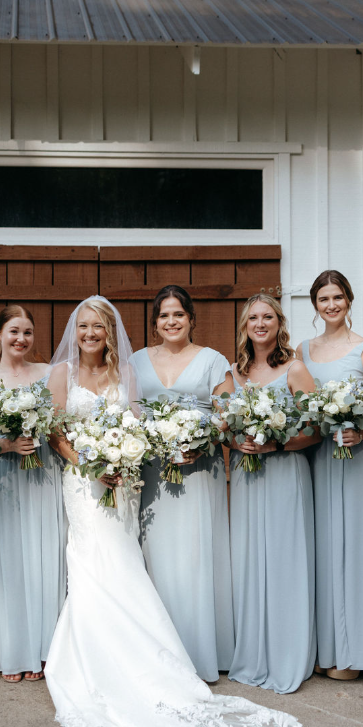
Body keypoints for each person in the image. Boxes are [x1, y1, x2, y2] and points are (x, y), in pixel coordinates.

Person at [32, 295, 307, 727]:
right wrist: (91, 462)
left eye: (100, 326)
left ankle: (145, 659)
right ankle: (97, 654)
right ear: (77, 331)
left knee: (125, 564)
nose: (91, 333)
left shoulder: (125, 374)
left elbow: (135, 423)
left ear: (111, 332)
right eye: (84, 326)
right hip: (84, 484)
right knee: (91, 565)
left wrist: (121, 455)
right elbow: (55, 432)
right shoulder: (61, 373)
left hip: (126, 482)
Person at [130, 286, 234, 682]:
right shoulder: (136, 361)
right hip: (153, 472)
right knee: (156, 556)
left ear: (191, 318)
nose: (171, 322)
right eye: (163, 316)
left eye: (178, 314)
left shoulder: (212, 360)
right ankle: (159, 653)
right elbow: (128, 411)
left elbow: (227, 414)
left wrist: (202, 438)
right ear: (154, 322)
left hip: (198, 471)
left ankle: (199, 652)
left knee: (194, 554)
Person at [217, 294, 318, 695]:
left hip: (284, 474)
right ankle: (254, 652)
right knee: (248, 562)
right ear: (244, 325)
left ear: (279, 323)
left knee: (283, 560)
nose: (260, 323)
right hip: (246, 476)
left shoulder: (295, 369)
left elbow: (314, 430)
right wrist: (233, 439)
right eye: (253, 318)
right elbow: (222, 427)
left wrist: (274, 445)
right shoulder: (233, 375)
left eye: (268, 317)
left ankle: (287, 654)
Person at [297, 271, 363, 680]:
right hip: (316, 457)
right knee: (321, 550)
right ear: (314, 304)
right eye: (323, 298)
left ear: (349, 300)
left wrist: (360, 428)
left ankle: (354, 653)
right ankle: (325, 648)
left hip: (353, 459)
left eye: (337, 297)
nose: (330, 305)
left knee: (353, 550)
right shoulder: (302, 350)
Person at [0, 306, 66, 684]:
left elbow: (62, 425)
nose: (21, 339)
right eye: (13, 331)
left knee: (48, 556)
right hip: (12, 476)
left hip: (46, 473)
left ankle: (48, 650)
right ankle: (17, 649)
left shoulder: (49, 374)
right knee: (15, 561)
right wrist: (8, 444)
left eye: (27, 332)